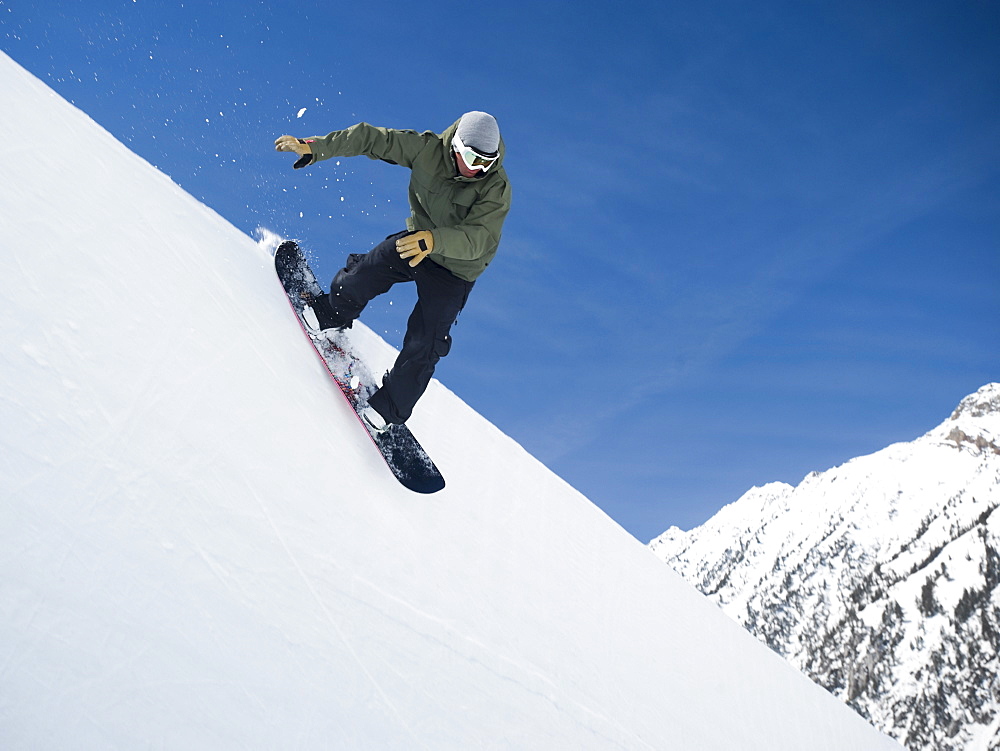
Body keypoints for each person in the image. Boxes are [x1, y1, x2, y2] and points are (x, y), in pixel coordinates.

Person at [274, 112, 511, 434]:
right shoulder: (427, 149)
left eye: (487, 161)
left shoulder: (495, 187)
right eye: (472, 157)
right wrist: (317, 147)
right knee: (371, 267)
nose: (477, 168)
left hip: (456, 267)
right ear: (455, 146)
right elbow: (373, 138)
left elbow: (481, 237)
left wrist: (436, 240)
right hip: (418, 242)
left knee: (426, 340)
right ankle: (332, 313)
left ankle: (390, 408)